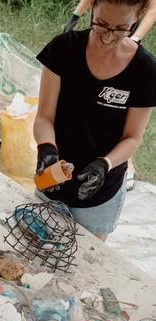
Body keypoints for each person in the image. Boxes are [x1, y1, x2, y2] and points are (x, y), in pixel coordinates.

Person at [34, 0, 156, 240]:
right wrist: (46, 148)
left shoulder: (145, 69)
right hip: (52, 179)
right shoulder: (63, 48)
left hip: (101, 192)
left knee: (83, 265)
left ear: (139, 16)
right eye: (101, 24)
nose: (108, 38)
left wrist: (105, 164)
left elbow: (133, 137)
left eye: (121, 29)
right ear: (92, 7)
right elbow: (44, 117)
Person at [64, 0, 155, 44]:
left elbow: (153, 8)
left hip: (125, 23)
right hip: (102, 17)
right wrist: (74, 18)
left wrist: (135, 38)